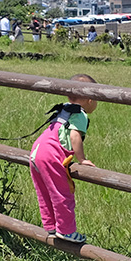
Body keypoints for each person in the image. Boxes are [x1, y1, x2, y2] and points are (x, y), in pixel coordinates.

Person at [29, 74, 97, 244]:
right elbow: (75, 136)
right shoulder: (80, 114)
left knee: (44, 192)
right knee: (62, 193)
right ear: (90, 99)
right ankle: (66, 231)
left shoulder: (64, 108)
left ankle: (51, 226)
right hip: (51, 155)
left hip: (37, 151)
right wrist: (82, 159)